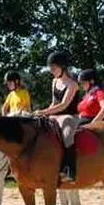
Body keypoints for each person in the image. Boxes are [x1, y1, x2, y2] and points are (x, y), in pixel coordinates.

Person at [33, 49, 81, 181]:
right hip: (55, 116)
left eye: (54, 67)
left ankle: (70, 169)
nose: (51, 70)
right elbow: (54, 103)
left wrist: (43, 111)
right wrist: (44, 114)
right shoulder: (54, 81)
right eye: (50, 67)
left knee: (66, 136)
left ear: (63, 67)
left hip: (70, 117)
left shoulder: (73, 85)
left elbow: (64, 105)